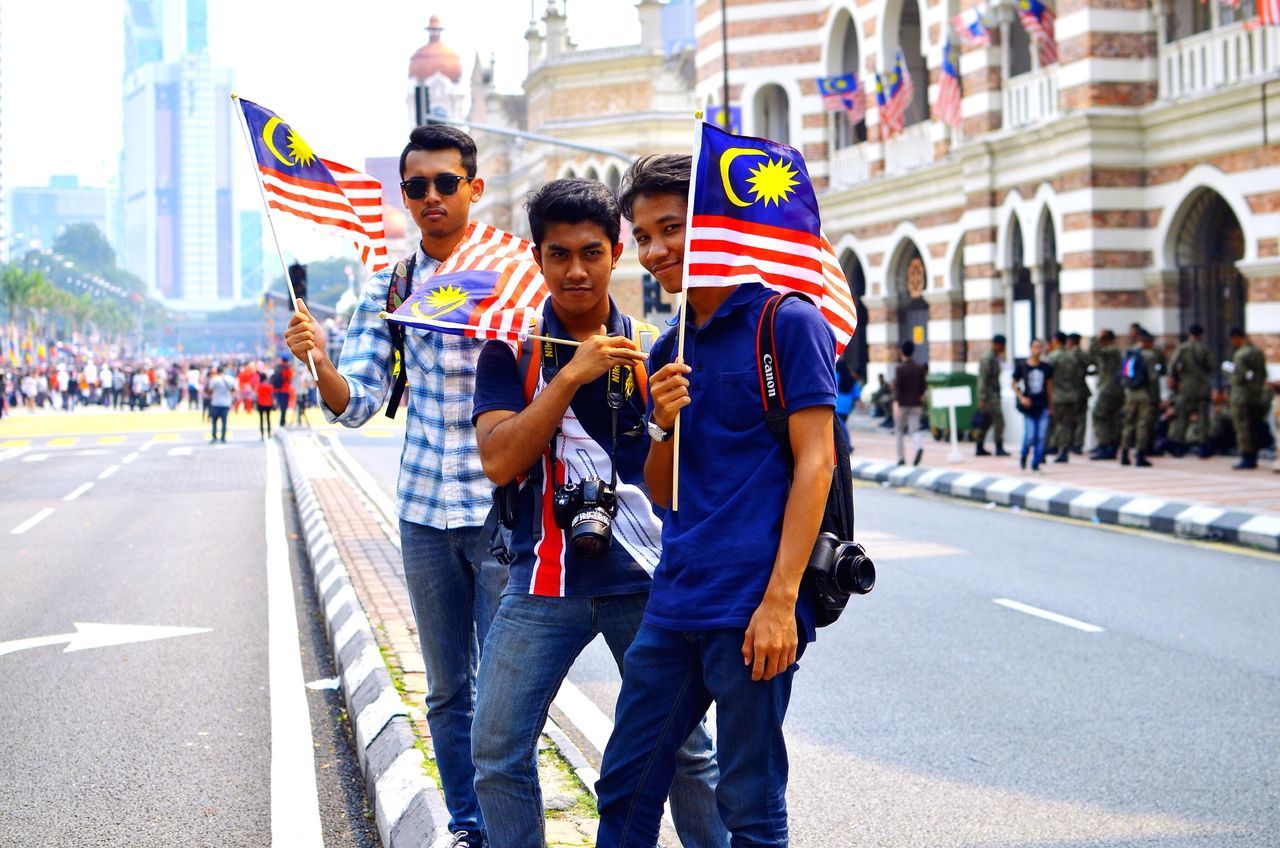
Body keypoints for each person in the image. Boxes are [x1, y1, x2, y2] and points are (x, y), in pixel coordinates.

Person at [469, 178, 725, 848]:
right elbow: (499, 461)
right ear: (538, 258)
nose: (576, 269)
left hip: (647, 581)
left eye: (591, 251)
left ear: (617, 252)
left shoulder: (658, 347)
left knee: (690, 757)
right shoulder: (511, 350)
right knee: (495, 748)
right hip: (542, 582)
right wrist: (569, 376)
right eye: (559, 255)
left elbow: (687, 474)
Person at [594, 154, 836, 847]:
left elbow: (816, 463)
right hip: (676, 600)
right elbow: (664, 490)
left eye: (671, 228)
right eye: (642, 236)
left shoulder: (785, 324)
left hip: (754, 603)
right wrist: (662, 419)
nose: (656, 250)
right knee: (626, 784)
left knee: (750, 801)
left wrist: (781, 602)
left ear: (716, 223)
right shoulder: (669, 347)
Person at [284, 124, 505, 848]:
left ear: (474, 187)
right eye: (417, 187)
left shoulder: (513, 274)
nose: (432, 196)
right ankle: (471, 824)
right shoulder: (395, 286)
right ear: (404, 197)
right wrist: (318, 361)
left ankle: (512, 820)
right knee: (447, 691)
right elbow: (359, 404)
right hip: (421, 512)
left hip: (500, 512)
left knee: (507, 692)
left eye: (447, 182)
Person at [1166, 324, 1212, 457]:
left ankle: (1179, 445)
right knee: (1203, 418)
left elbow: (1172, 366)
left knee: (1182, 417)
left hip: (1187, 388)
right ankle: (1203, 446)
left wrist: (1176, 378)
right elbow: (1210, 366)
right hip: (1203, 388)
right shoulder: (1204, 348)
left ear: (1189, 333)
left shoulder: (1183, 348)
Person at [1118, 329, 1161, 467]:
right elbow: (1153, 378)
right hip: (1143, 393)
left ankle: (1124, 455)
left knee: (1128, 423)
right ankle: (1140, 456)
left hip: (1130, 393)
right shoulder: (1149, 355)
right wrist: (1156, 397)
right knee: (1142, 424)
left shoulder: (1130, 354)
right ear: (1147, 342)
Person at [1227, 327, 1267, 470]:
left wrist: (1229, 374)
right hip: (1255, 396)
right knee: (1253, 426)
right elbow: (1263, 374)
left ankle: (1246, 456)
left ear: (1237, 337)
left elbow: (1239, 376)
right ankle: (1253, 456)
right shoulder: (1257, 352)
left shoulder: (1241, 354)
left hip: (1241, 397)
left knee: (1242, 427)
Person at [1013, 338, 1053, 471]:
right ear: (1030, 348)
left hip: (1043, 404)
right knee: (1030, 435)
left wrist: (1051, 406)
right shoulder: (1022, 366)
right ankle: (1024, 455)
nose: (1038, 350)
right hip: (1029, 406)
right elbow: (1014, 384)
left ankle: (1035, 462)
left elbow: (1049, 387)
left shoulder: (1046, 367)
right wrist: (1021, 398)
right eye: (1035, 346)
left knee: (1041, 435)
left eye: (1040, 347)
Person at [1087, 330, 1123, 460]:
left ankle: (1105, 444)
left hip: (1110, 389)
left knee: (1099, 414)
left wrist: (1094, 338)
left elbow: (1094, 350)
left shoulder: (1112, 350)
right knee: (1110, 418)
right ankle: (1109, 445)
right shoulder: (1110, 351)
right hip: (1111, 388)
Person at [892, 340, 927, 466]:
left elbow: (898, 388)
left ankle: (901, 458)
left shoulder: (899, 369)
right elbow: (923, 387)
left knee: (899, 431)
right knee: (915, 429)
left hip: (902, 404)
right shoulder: (920, 368)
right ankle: (918, 447)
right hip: (916, 403)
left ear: (902, 352)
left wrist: (896, 403)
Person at [975, 334, 1008, 456]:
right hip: (989, 395)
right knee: (998, 420)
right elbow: (982, 379)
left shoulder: (995, 357)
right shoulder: (988, 358)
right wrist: (982, 397)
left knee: (987, 421)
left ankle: (979, 446)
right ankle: (998, 446)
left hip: (993, 394)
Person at [206, 364, 234, 443]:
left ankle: (214, 437)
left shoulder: (214, 379)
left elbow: (210, 391)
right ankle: (223, 437)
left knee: (214, 421)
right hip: (226, 403)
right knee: (224, 422)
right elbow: (233, 389)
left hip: (215, 402)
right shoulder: (229, 379)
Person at [256, 370, 275, 439]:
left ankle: (262, 434)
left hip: (260, 403)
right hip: (268, 403)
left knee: (261, 419)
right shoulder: (269, 386)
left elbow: (257, 395)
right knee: (268, 419)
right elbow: (272, 395)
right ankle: (269, 433)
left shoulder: (259, 386)